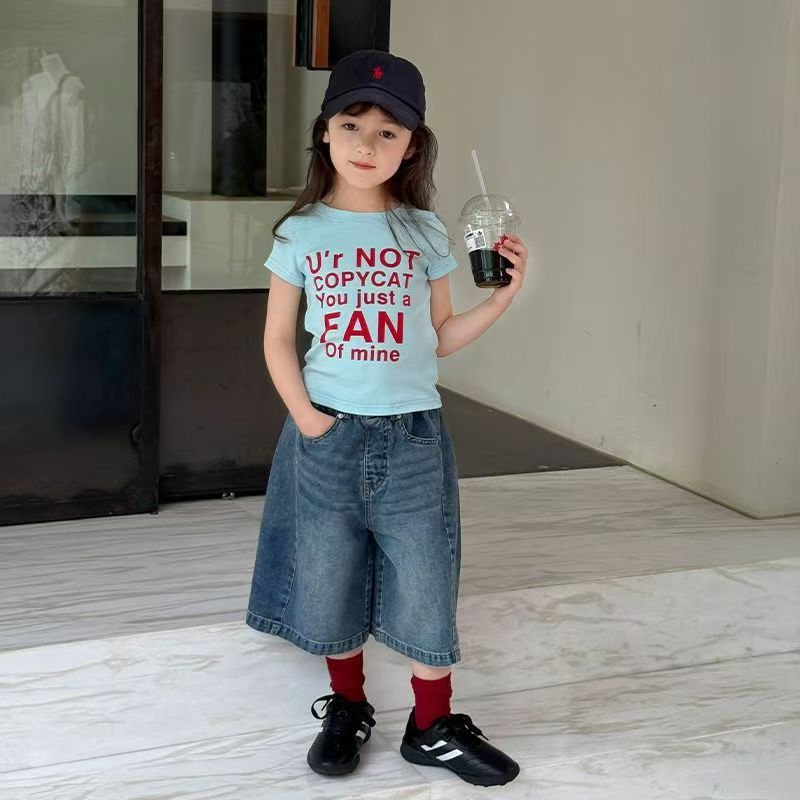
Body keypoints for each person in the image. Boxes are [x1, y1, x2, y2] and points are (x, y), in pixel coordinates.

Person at [246, 49, 528, 787]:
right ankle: (347, 706)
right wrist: (310, 421)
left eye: (388, 132)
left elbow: (439, 338)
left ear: (412, 146)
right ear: (324, 132)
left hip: (413, 438)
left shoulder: (425, 232)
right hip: (328, 434)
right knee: (327, 572)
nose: (367, 144)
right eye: (352, 125)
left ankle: (432, 725)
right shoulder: (301, 233)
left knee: (427, 576)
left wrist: (499, 299)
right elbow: (277, 339)